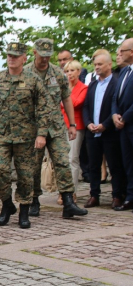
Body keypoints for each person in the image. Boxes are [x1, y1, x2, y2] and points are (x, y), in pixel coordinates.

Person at [0, 42, 50, 229]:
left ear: (24, 58)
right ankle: (7, 205)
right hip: (1, 135)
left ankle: (24, 210)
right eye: (9, 55)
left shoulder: (33, 80)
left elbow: (44, 109)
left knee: (26, 175)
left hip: (26, 136)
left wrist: (42, 134)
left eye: (15, 55)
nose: (11, 58)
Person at [26, 38, 87, 219]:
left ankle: (68, 201)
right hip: (34, 127)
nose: (45, 59)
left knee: (63, 161)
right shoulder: (26, 72)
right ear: (35, 52)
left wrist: (72, 124)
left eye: (48, 55)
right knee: (34, 165)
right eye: (42, 55)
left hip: (56, 126)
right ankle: (34, 200)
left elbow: (67, 98)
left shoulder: (58, 74)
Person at [82, 52, 126, 209]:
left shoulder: (116, 82)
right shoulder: (93, 84)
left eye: (100, 64)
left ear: (109, 64)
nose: (97, 67)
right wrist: (88, 124)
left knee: (114, 165)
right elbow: (86, 106)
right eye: (95, 65)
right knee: (93, 165)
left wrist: (105, 124)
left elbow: (116, 107)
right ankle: (94, 195)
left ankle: (116, 195)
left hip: (109, 132)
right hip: (92, 132)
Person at [60, 61, 88, 204]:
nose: (69, 73)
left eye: (72, 70)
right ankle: (63, 192)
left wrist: (63, 100)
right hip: (61, 126)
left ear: (78, 71)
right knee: (62, 160)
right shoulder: (63, 87)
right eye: (67, 71)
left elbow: (76, 103)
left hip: (76, 127)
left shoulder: (83, 88)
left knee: (72, 159)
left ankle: (73, 192)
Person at [112, 38, 133, 211]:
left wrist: (125, 117)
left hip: (130, 122)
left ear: (131, 52)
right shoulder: (124, 72)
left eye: (122, 51)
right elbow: (116, 97)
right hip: (123, 127)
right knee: (128, 163)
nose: (119, 54)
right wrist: (114, 114)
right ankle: (131, 196)